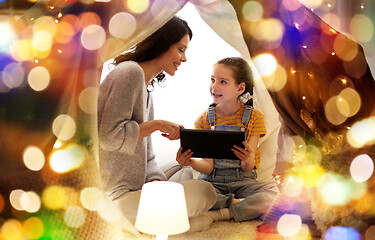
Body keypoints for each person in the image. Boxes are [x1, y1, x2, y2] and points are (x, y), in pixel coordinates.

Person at [97, 16, 217, 232]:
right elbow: (109, 137)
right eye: (180, 50)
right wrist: (157, 124)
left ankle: (170, 221)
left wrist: (155, 182)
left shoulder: (146, 87)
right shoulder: (129, 73)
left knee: (185, 170)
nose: (184, 58)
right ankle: (213, 215)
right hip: (115, 196)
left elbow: (149, 156)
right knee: (205, 192)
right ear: (163, 42)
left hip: (138, 187)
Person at [176, 57, 279, 223]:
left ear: (240, 88)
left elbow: (248, 167)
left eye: (223, 81)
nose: (214, 86)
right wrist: (190, 162)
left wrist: (248, 158)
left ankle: (222, 213)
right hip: (213, 183)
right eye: (212, 80)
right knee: (185, 194)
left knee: (277, 196)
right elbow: (208, 168)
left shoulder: (254, 118)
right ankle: (236, 205)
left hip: (244, 182)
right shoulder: (203, 120)